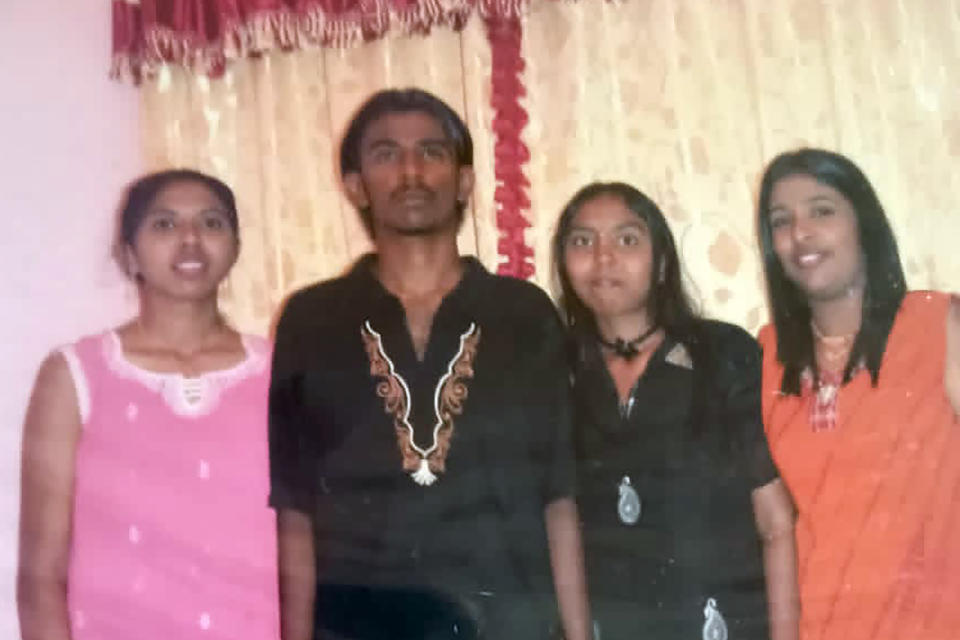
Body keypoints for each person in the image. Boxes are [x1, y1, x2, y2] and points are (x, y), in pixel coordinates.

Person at [268, 88, 591, 640]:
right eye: (386, 154)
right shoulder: (310, 319)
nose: (411, 170)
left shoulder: (524, 313)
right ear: (355, 186)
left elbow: (559, 497)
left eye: (432, 152)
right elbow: (295, 511)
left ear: (464, 181)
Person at [16, 170, 280, 640]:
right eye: (164, 224)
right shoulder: (75, 375)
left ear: (236, 249)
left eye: (212, 223)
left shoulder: (279, 371)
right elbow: (41, 574)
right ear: (128, 253)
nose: (191, 239)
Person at [552, 182, 799, 640]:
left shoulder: (720, 354)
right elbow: (561, 517)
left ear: (662, 261)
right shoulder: (559, 372)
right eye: (582, 241)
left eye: (626, 239)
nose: (603, 257)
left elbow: (776, 520)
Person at [756, 148, 960, 640]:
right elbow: (775, 526)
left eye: (821, 211)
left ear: (863, 225)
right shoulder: (765, 356)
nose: (800, 233)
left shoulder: (938, 325)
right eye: (781, 221)